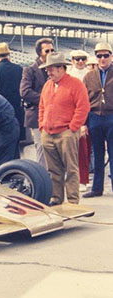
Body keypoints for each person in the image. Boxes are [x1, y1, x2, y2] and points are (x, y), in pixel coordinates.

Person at [39, 52, 90, 205]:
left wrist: (73, 127)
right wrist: (42, 125)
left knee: (71, 168)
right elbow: (42, 106)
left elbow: (83, 107)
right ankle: (57, 198)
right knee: (54, 169)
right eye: (47, 69)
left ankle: (73, 200)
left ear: (61, 68)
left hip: (66, 133)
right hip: (48, 133)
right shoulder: (47, 85)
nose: (48, 72)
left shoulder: (76, 84)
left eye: (51, 69)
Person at [82, 42, 113, 198]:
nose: (102, 59)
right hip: (94, 117)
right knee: (98, 155)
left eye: (105, 55)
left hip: (111, 116)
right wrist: (83, 123)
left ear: (111, 56)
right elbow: (83, 101)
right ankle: (97, 188)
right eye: (99, 56)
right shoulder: (89, 76)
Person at [20, 37, 54, 168]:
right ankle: (42, 180)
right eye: (47, 51)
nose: (50, 53)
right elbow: (25, 92)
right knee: (42, 149)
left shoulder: (55, 69)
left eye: (52, 50)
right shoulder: (30, 70)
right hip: (37, 116)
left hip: (54, 116)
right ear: (40, 53)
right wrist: (47, 98)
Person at [0, 42, 25, 151]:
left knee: (3, 149)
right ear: (8, 55)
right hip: (18, 112)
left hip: (2, 115)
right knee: (17, 148)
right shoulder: (19, 69)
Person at [68, 50, 91, 192]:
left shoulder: (89, 74)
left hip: (89, 114)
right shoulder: (69, 75)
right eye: (77, 59)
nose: (80, 61)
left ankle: (84, 179)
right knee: (74, 151)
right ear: (72, 60)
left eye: (83, 59)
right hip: (73, 115)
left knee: (86, 150)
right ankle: (77, 179)